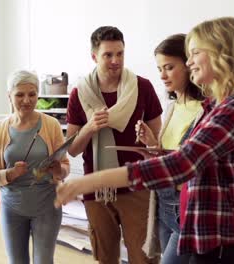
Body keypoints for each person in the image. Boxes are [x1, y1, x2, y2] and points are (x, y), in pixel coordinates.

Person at [56, 17, 234, 264]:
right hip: (201, 227)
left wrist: (87, 182)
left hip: (216, 234)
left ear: (221, 54)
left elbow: (183, 162)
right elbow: (190, 157)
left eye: (194, 53)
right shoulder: (220, 105)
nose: (189, 63)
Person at [66, 26, 162, 263]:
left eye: (120, 54)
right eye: (108, 55)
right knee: (105, 255)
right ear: (94, 56)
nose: (115, 60)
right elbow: (73, 149)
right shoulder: (79, 94)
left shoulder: (142, 87)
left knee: (143, 257)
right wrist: (89, 127)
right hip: (97, 188)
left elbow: (158, 143)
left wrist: (149, 138)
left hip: (136, 185)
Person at [138, 34, 205, 264]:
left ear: (188, 65)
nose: (162, 75)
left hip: (183, 206)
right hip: (163, 203)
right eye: (159, 68)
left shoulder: (204, 111)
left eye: (169, 67)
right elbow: (167, 154)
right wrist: (151, 144)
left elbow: (195, 163)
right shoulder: (172, 107)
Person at [0, 70, 70, 264]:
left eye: (32, 94)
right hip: (12, 206)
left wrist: (58, 170)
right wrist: (9, 173)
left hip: (46, 204)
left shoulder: (51, 124)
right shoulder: (0, 128)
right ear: (9, 96)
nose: (26, 100)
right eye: (20, 94)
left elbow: (65, 167)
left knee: (44, 261)